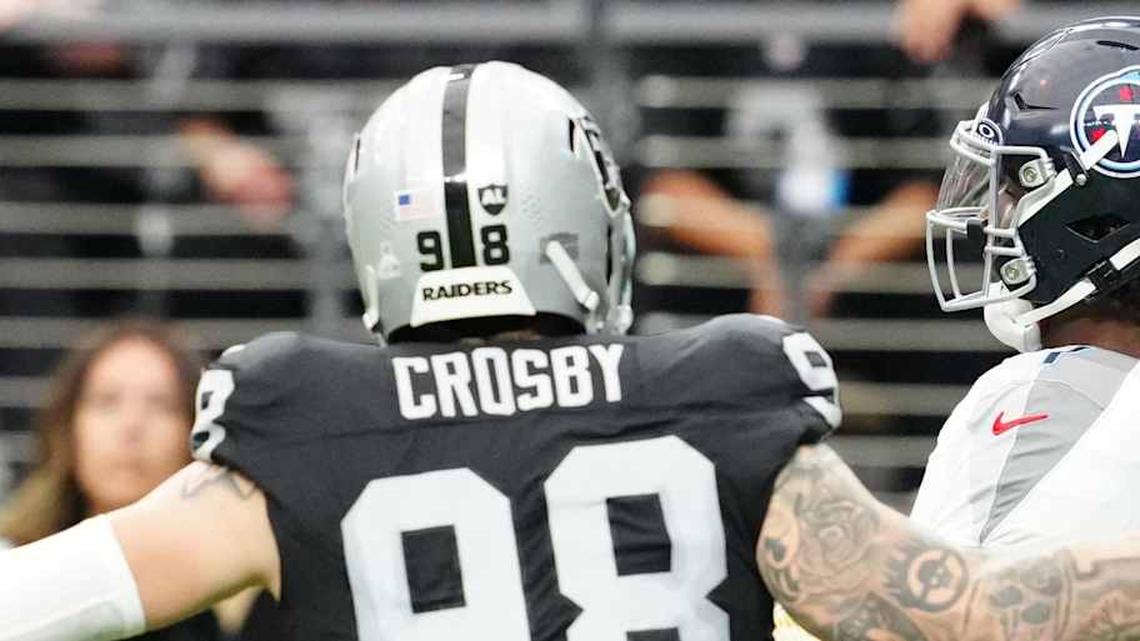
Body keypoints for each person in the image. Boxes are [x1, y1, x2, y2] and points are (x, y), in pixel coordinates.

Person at [5, 61, 1140, 641]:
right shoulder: (723, 396)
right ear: (583, 218)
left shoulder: (293, 428)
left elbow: (41, 598)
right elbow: (980, 612)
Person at [914, 16, 1140, 546]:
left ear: (1096, 219)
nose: (991, 211)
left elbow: (954, 617)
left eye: (1013, 183)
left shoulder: (1042, 391)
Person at [0, 320, 281, 641]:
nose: (131, 425)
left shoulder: (251, 591)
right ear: (68, 428)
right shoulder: (11, 566)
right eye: (107, 401)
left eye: (161, 404)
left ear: (196, 431)